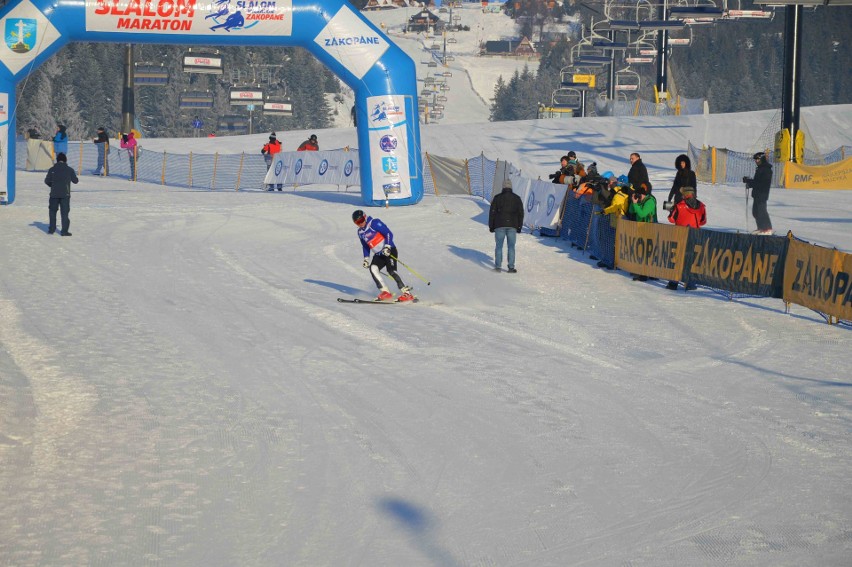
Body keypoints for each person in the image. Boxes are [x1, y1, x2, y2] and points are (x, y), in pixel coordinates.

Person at [353, 209, 415, 302]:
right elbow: (365, 246)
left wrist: (387, 246)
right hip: (379, 254)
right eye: (357, 223)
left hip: (389, 250)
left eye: (361, 221)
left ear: (365, 217)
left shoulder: (374, 223)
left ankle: (407, 293)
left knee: (391, 270)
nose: (360, 224)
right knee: (373, 268)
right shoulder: (360, 232)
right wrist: (366, 259)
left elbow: (388, 233)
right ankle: (385, 292)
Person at [666, 186, 706, 290]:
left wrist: (672, 209)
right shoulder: (701, 206)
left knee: (677, 259)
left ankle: (673, 283)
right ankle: (690, 283)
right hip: (694, 235)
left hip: (680, 235)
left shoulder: (679, 206)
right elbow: (703, 221)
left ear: (685, 194)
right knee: (691, 260)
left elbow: (671, 219)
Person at [488, 178, 524, 273]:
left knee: (499, 246)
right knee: (511, 247)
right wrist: (519, 226)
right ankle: (511, 267)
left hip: (499, 225)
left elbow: (492, 212)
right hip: (512, 226)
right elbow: (521, 213)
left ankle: (498, 267)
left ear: (503, 187)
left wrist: (491, 225)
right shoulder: (517, 198)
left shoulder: (497, 198)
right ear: (511, 187)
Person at [44, 152, 79, 236]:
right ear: (65, 160)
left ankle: (51, 229)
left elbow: (46, 181)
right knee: (64, 213)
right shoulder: (69, 169)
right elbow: (75, 181)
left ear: (57, 160)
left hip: (54, 194)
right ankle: (64, 231)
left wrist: (53, 186)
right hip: (65, 195)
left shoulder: (52, 169)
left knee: (52, 211)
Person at [743, 152, 773, 235]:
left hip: (762, 193)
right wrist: (749, 182)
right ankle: (761, 228)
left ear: (762, 159)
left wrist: (750, 182)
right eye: (755, 159)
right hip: (757, 193)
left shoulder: (766, 169)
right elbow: (757, 182)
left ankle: (767, 228)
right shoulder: (760, 168)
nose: (756, 161)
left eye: (758, 159)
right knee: (755, 212)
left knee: (761, 211)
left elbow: (762, 183)